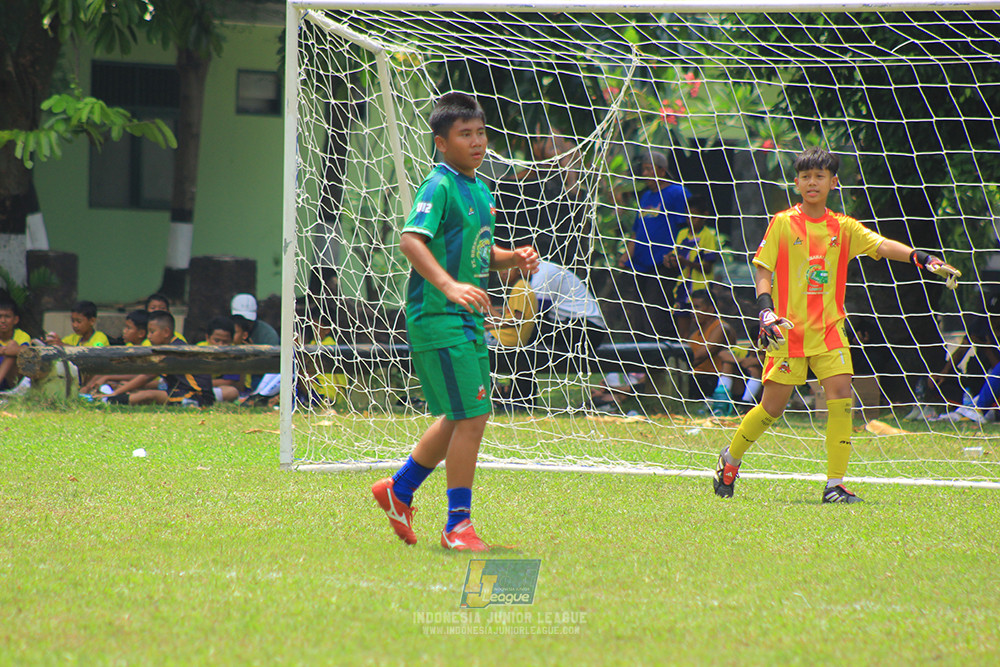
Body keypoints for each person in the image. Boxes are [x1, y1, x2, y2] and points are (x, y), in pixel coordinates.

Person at [713, 147, 960, 503]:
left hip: (829, 329)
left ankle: (835, 484)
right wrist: (765, 311)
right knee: (772, 408)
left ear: (833, 182)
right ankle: (730, 458)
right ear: (797, 182)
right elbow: (763, 270)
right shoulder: (783, 222)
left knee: (842, 396)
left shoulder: (842, 227)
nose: (812, 183)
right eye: (806, 177)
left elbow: (881, 245)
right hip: (787, 331)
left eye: (820, 176)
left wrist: (920, 258)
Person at [371, 92, 539, 552]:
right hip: (439, 316)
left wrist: (513, 258)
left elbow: (480, 256)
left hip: (465, 319)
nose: (477, 141)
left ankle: (399, 490)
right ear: (442, 143)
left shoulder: (481, 190)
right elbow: (410, 241)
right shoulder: (439, 184)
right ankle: (456, 526)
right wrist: (448, 286)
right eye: (465, 134)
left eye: (481, 132)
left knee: (463, 413)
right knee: (474, 415)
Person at [491, 259, 608, 410]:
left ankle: (519, 399)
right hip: (574, 326)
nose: (505, 273)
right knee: (525, 340)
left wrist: (495, 326)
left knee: (525, 338)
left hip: (586, 329)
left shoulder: (543, 274)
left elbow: (533, 315)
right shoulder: (538, 275)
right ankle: (517, 397)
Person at [618, 150, 692, 341]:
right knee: (638, 314)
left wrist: (677, 254)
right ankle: (640, 361)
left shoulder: (677, 193)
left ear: (661, 171)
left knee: (657, 314)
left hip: (662, 264)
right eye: (643, 169)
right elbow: (637, 230)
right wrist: (627, 255)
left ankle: (661, 360)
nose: (645, 174)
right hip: (641, 264)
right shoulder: (646, 197)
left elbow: (688, 226)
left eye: (648, 169)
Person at [105, 311, 215, 407]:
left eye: (152, 332)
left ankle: (109, 400)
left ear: (166, 332)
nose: (149, 336)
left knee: (149, 395)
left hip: (197, 396)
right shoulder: (171, 346)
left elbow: (147, 375)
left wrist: (116, 393)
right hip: (181, 391)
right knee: (142, 391)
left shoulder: (173, 350)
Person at [686, 290, 762, 415]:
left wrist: (682, 367)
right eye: (691, 307)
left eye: (697, 307)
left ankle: (728, 402)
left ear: (710, 309)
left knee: (733, 365)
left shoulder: (720, 328)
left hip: (713, 379)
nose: (693, 312)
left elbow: (700, 356)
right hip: (698, 377)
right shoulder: (695, 334)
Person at [666, 195, 721, 339]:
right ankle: (683, 355)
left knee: (701, 328)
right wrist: (670, 260)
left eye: (694, 217)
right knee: (682, 329)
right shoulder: (682, 234)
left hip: (699, 291)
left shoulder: (708, 236)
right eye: (688, 217)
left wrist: (686, 262)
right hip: (682, 289)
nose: (690, 221)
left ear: (704, 216)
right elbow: (676, 256)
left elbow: (707, 267)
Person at [80, 310, 151, 395]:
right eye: (125, 327)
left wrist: (108, 376)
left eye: (128, 328)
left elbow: (140, 374)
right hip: (130, 379)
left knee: (116, 382)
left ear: (141, 333)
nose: (124, 331)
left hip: (148, 383)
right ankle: (86, 391)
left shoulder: (146, 347)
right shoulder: (129, 345)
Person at [197, 316, 246, 403]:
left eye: (225, 342)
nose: (220, 345)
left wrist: (203, 383)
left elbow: (229, 382)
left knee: (231, 392)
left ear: (231, 340)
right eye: (216, 340)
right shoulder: (199, 350)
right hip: (196, 388)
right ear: (207, 337)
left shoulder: (233, 353)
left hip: (215, 389)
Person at [44, 301, 110, 347]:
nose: (74, 325)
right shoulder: (71, 338)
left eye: (79, 321)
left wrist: (63, 346)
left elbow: (92, 355)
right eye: (73, 321)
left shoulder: (100, 338)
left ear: (92, 321)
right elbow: (60, 344)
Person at [0, 297, 31, 392]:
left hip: (12, 380)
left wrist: (4, 350)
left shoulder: (22, 335)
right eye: (0, 316)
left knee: (13, 347)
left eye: (7, 316)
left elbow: (27, 351)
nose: (3, 321)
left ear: (16, 320)